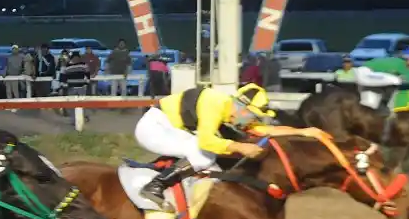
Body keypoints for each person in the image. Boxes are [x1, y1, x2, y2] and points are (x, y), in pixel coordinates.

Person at [136, 82, 325, 207]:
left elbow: (265, 130)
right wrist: (240, 147)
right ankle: (154, 187)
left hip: (170, 129)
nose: (250, 122)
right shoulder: (213, 103)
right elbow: (207, 141)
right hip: (153, 128)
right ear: (241, 107)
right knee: (203, 154)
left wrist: (303, 132)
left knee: (211, 162)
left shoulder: (233, 109)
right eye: (252, 116)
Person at [351, 46, 409, 113]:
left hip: (363, 74)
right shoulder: (401, 64)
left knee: (370, 104)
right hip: (366, 74)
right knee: (396, 80)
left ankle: (382, 108)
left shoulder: (397, 62)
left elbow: (408, 77)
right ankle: (388, 106)